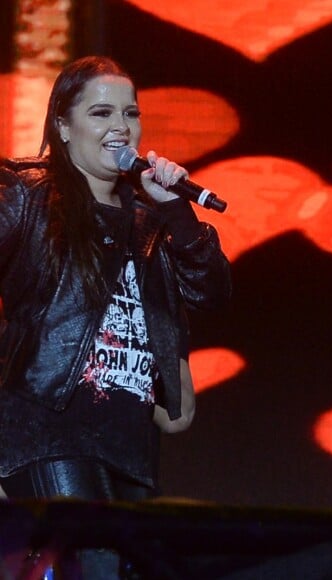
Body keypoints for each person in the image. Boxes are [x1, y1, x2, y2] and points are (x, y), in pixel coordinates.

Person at [0, 55, 231, 575]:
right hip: (44, 428)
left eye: (130, 114)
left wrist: (176, 210)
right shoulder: (27, 198)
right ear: (62, 125)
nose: (120, 127)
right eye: (101, 113)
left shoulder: (150, 219)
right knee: (95, 562)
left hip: (127, 439)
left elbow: (212, 293)